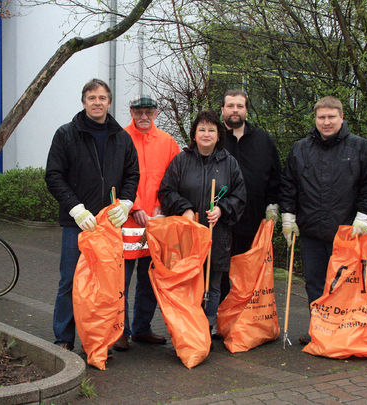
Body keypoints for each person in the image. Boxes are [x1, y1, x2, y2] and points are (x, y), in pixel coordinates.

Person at [45, 78, 140, 351]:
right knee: (69, 281)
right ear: (83, 102)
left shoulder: (121, 137)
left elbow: (133, 174)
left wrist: (126, 203)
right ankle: (63, 339)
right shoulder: (66, 134)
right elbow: (54, 176)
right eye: (91, 98)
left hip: (109, 225)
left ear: (109, 102)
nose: (97, 103)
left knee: (108, 283)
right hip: (78, 224)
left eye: (102, 98)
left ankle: (105, 336)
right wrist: (75, 209)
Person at [280, 96, 367, 345]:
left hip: (347, 234)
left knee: (345, 287)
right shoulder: (300, 149)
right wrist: (288, 217)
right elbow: (288, 185)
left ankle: (342, 333)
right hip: (312, 232)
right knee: (315, 284)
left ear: (341, 117)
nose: (326, 122)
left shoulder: (361, 148)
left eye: (331, 117)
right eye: (321, 117)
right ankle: (319, 330)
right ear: (315, 119)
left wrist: (363, 217)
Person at [158, 110, 246, 344]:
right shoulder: (181, 161)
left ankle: (206, 327)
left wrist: (222, 209)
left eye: (211, 130)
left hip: (217, 235)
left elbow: (240, 196)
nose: (206, 134)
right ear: (194, 134)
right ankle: (187, 329)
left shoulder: (230, 163)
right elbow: (166, 191)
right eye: (201, 130)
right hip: (187, 236)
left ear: (219, 135)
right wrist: (184, 208)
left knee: (213, 284)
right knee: (188, 284)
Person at [113, 95, 181, 351]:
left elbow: (175, 176)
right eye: (138, 112)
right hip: (127, 219)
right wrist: (136, 205)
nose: (143, 117)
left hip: (157, 221)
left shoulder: (167, 142)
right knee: (122, 280)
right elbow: (117, 177)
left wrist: (164, 204)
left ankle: (142, 328)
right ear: (131, 112)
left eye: (148, 112)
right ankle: (121, 331)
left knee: (149, 278)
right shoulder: (120, 138)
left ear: (155, 114)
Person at [220, 89, 281, 306]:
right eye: (230, 106)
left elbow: (275, 176)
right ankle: (219, 318)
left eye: (239, 106)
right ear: (222, 110)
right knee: (220, 274)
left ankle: (245, 320)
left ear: (246, 110)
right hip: (220, 221)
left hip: (253, 220)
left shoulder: (263, 140)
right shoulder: (214, 138)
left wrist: (273, 205)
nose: (235, 110)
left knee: (249, 274)